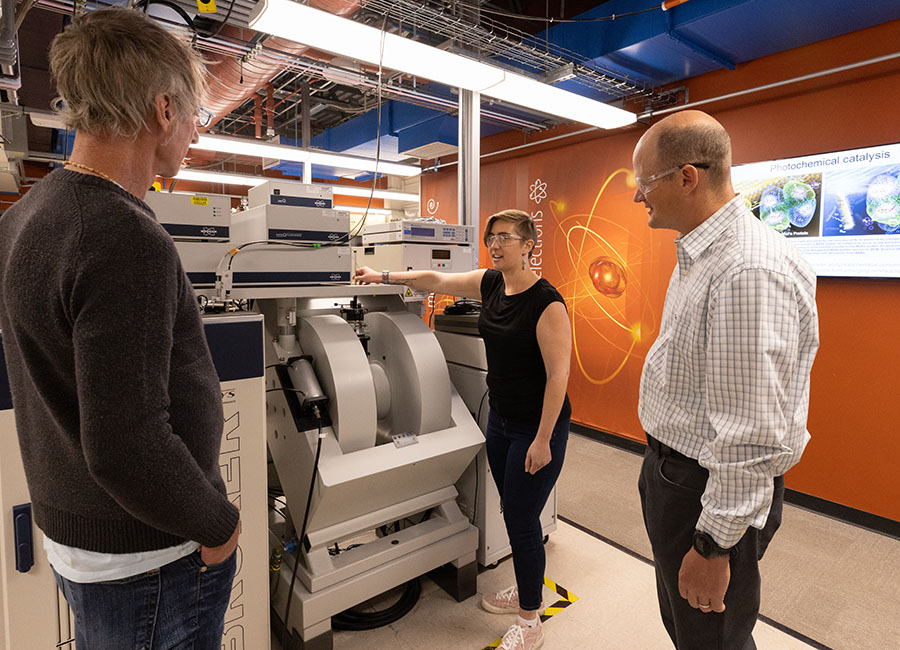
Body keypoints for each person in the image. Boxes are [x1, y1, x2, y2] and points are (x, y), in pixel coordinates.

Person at [0, 8, 240, 649]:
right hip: (151, 557)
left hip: (89, 539)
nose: (193, 132)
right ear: (164, 110)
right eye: (195, 116)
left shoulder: (26, 217)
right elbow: (127, 444)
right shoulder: (121, 235)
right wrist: (219, 523)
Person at [632, 110, 819, 650]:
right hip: (677, 475)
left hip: (704, 488)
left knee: (711, 635)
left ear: (687, 177)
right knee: (690, 625)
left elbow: (752, 433)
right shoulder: (702, 254)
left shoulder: (746, 269)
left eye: (645, 183)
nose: (639, 197)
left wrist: (714, 547)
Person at [355, 209, 571, 650]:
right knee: (512, 510)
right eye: (492, 237)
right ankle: (526, 590)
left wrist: (544, 439)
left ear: (529, 245)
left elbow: (558, 377)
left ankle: (531, 621)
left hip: (536, 426)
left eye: (506, 237)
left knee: (523, 520)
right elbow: (435, 280)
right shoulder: (491, 284)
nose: (495, 245)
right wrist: (383, 274)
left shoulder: (546, 302)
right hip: (502, 421)